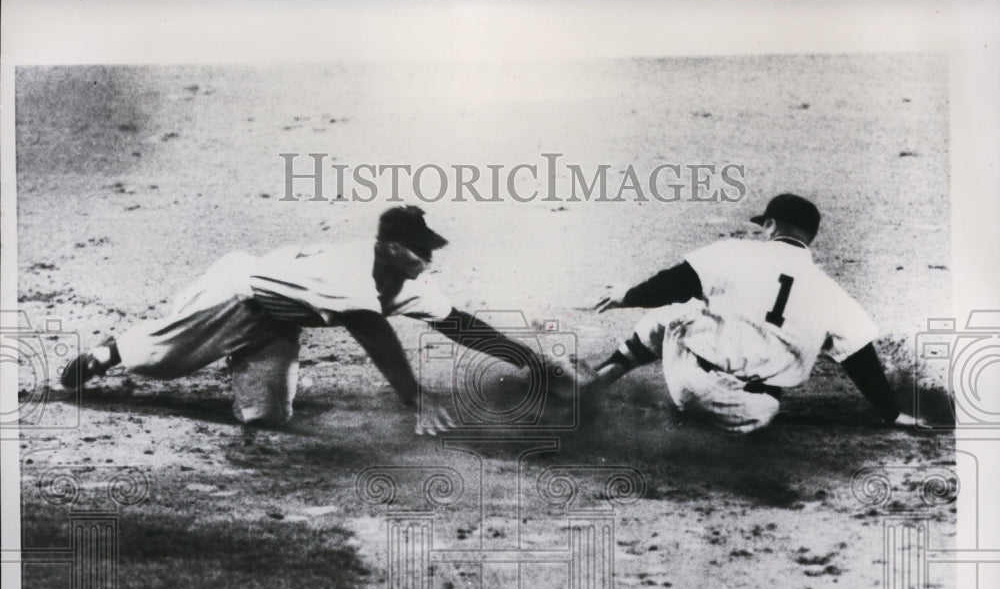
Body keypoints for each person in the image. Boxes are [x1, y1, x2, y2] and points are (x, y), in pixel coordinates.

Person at [59, 206, 543, 434]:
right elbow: (373, 333)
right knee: (155, 362)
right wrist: (415, 397)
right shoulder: (349, 271)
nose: (428, 261)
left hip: (279, 323)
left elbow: (457, 323)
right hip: (235, 296)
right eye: (420, 252)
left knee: (266, 418)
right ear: (391, 248)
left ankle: (242, 369)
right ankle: (108, 350)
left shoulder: (406, 280)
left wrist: (529, 361)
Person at [586, 193, 926, 433]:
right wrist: (892, 413)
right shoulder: (830, 292)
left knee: (681, 308)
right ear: (809, 239)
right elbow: (859, 356)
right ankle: (708, 429)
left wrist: (626, 296)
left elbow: (675, 282)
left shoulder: (734, 252)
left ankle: (596, 382)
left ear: (771, 225)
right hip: (751, 416)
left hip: (690, 387)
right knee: (771, 369)